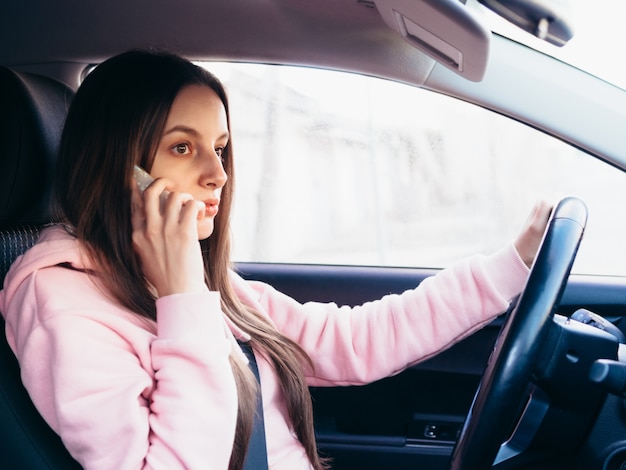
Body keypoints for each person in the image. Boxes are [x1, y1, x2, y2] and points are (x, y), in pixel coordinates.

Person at [0, 50, 552, 470]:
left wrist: (514, 262)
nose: (217, 173)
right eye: (183, 148)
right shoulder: (63, 306)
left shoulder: (188, 283)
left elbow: (353, 341)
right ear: (119, 165)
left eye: (219, 148)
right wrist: (183, 300)